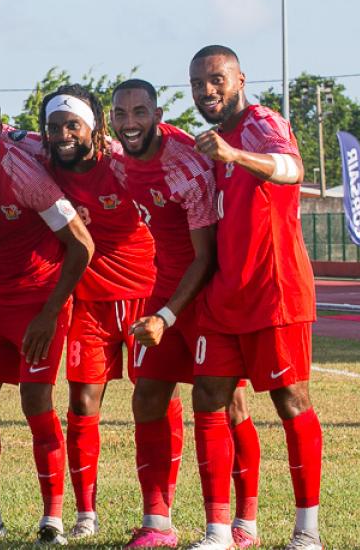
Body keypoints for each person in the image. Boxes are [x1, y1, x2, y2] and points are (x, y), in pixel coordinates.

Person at [111, 79, 261, 548]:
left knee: (228, 405)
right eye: (121, 113)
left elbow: (205, 257)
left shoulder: (185, 166)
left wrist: (166, 317)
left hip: (205, 298)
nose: (130, 122)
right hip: (164, 292)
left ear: (157, 113)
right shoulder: (117, 156)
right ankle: (157, 525)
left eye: (140, 111)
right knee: (147, 397)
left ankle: (242, 524)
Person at [185, 46, 322, 550]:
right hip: (226, 294)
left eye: (216, 79)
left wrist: (235, 155)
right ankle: (221, 531)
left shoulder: (262, 123)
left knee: (290, 402)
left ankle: (307, 532)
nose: (207, 91)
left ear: (240, 78)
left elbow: (292, 168)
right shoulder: (211, 141)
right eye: (198, 83)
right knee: (208, 397)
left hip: (274, 290)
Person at [0, 91, 93, 546]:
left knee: (36, 404)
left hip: (40, 300)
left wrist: (49, 314)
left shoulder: (25, 176)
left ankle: (53, 520)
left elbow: (81, 245)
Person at [39, 84, 156, 539]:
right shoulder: (44, 161)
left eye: (73, 125)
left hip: (145, 295)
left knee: (151, 402)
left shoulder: (123, 164)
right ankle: (86, 514)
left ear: (96, 128)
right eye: (55, 127)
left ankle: (156, 514)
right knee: (82, 403)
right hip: (88, 301)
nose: (63, 134)